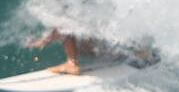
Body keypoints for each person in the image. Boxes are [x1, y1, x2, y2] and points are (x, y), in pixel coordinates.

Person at [27, 28, 158, 74]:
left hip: (95, 51)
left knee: (64, 19)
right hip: (110, 48)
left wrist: (44, 41)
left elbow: (64, 25)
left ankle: (71, 63)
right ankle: (138, 51)